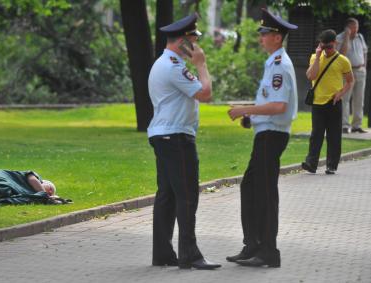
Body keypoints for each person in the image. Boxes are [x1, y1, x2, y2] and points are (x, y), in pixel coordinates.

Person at [147, 13, 220, 270]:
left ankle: (163, 254)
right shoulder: (174, 66)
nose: (197, 46)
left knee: (167, 195)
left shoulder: (164, 63)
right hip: (176, 137)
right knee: (187, 195)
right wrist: (201, 64)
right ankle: (190, 254)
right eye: (194, 40)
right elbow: (206, 94)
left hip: (165, 135)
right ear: (182, 43)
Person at [227, 8, 298, 268]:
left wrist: (244, 110)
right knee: (251, 187)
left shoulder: (280, 65)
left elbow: (279, 107)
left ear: (277, 37)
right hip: (265, 133)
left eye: (265, 33)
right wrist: (252, 118)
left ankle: (268, 251)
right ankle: (253, 245)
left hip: (273, 136)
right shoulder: (272, 63)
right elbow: (269, 103)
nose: (261, 37)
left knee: (265, 193)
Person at [301, 30, 354, 175]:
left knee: (334, 136)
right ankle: (311, 164)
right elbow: (311, 75)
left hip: (334, 103)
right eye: (324, 47)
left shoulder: (343, 60)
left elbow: (350, 81)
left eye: (330, 47)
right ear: (320, 45)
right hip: (317, 102)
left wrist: (340, 93)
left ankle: (331, 165)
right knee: (316, 135)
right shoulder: (314, 57)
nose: (327, 50)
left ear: (335, 44)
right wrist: (318, 56)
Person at [336, 18, 368, 134]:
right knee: (345, 99)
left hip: (360, 71)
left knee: (359, 99)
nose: (356, 29)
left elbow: (365, 51)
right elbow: (342, 54)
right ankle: (344, 125)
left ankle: (356, 125)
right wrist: (347, 37)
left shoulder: (360, 37)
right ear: (348, 28)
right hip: (347, 72)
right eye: (353, 27)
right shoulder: (340, 38)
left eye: (357, 27)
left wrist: (364, 65)